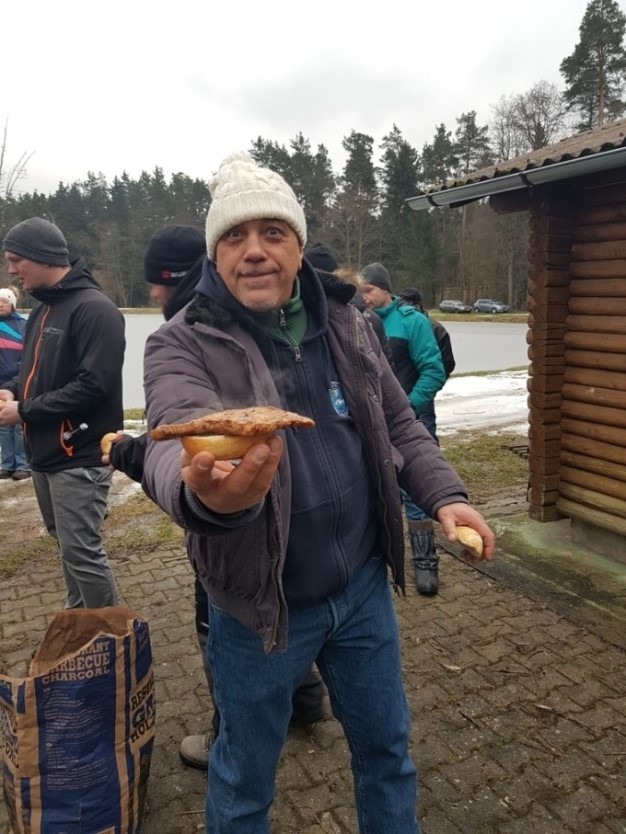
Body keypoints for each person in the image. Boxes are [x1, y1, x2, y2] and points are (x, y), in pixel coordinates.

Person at [141, 151, 495, 833]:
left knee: (388, 755)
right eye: (234, 236)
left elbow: (398, 424)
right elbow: (172, 436)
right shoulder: (182, 343)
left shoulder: (347, 322)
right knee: (243, 782)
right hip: (257, 610)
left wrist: (445, 496)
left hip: (362, 590)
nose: (254, 250)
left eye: (272, 232)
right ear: (214, 254)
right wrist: (206, 497)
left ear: (298, 246)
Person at [107, 224, 324, 770]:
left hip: (242, 542)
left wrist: (132, 455)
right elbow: (180, 423)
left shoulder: (203, 326)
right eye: (234, 241)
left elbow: (190, 431)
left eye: (157, 281)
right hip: (272, 516)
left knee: (221, 613)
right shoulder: (222, 322)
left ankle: (227, 733)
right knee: (278, 601)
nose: (152, 292)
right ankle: (305, 701)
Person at [0, 217, 125, 609]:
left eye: (17, 260)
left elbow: (94, 386)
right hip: (44, 454)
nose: (11, 270)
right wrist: (11, 390)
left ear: (43, 256)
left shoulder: (96, 310)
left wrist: (23, 411)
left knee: (83, 553)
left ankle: (113, 634)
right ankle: (79, 621)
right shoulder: (42, 309)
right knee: (67, 546)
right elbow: (34, 372)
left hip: (80, 454)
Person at [359, 264, 446, 596]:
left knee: (417, 491)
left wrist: (407, 406)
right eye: (361, 290)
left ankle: (425, 563)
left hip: (413, 418)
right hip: (373, 421)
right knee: (381, 489)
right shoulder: (357, 321)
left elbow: (433, 371)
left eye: (369, 290)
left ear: (385, 289)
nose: (364, 296)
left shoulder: (412, 322)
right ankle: (383, 560)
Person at [0, 287, 30, 480]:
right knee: (3, 425)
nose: (0, 305)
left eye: (4, 301)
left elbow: (30, 353)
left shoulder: (23, 325)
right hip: (0, 384)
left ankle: (23, 464)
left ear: (12, 304)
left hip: (20, 381)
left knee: (19, 424)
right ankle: (7, 464)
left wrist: (20, 376)